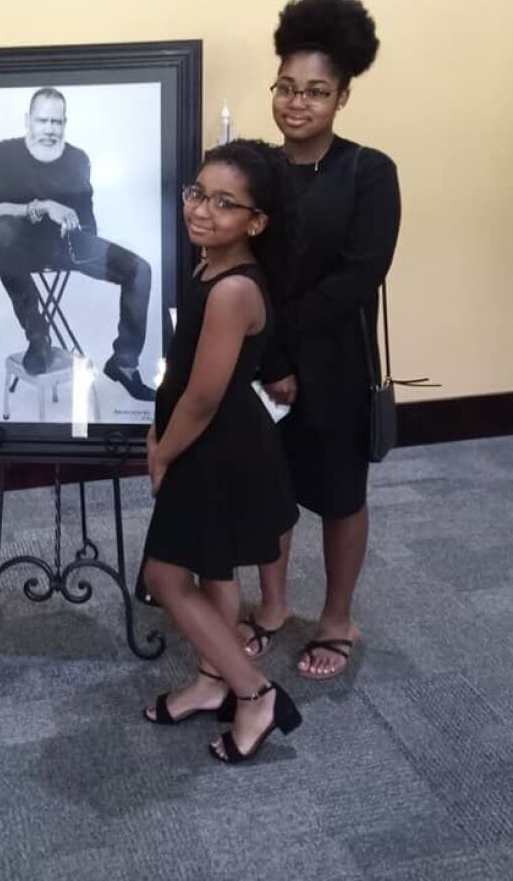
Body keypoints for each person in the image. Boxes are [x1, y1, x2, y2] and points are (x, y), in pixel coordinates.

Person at [238, 0, 401, 680]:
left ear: (342, 97)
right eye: (285, 87)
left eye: (315, 91)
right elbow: (239, 266)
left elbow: (358, 276)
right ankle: (273, 606)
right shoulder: (255, 172)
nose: (296, 103)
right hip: (263, 359)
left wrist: (289, 347)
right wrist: (271, 357)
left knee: (339, 493)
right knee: (268, 489)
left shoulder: (369, 172)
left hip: (334, 361)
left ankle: (336, 617)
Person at [139, 139, 302, 764]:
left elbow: (204, 396)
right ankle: (213, 681)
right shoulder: (211, 266)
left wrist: (162, 453)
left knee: (165, 576)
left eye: (225, 203)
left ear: (256, 222)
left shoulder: (234, 288)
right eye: (197, 193)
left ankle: (256, 694)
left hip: (215, 446)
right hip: (211, 439)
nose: (202, 210)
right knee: (212, 569)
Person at [0, 86, 155, 399]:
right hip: (20, 249)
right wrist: (45, 206)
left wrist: (80, 232)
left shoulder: (77, 158)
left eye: (57, 122)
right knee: (2, 231)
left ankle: (124, 363)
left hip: (68, 245)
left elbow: (88, 220)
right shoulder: (3, 153)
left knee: (140, 270)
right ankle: (38, 338)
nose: (49, 129)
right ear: (28, 120)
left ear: (65, 123)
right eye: (42, 121)